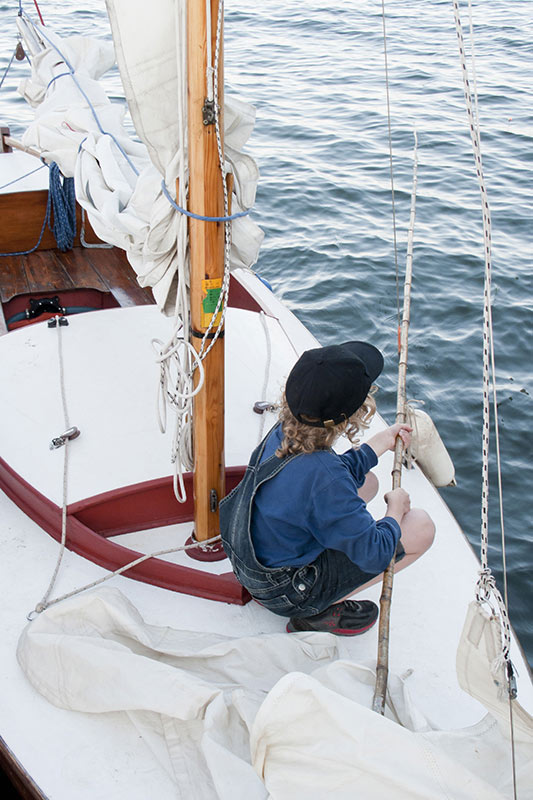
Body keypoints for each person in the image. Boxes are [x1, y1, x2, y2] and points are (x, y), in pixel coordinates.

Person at [220, 341, 435, 636]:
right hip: (285, 590)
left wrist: (380, 443)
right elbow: (375, 553)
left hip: (248, 558)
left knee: (367, 481)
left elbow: (321, 480)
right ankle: (316, 611)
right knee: (421, 526)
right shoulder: (326, 479)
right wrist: (394, 511)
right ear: (351, 414)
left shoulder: (285, 428)